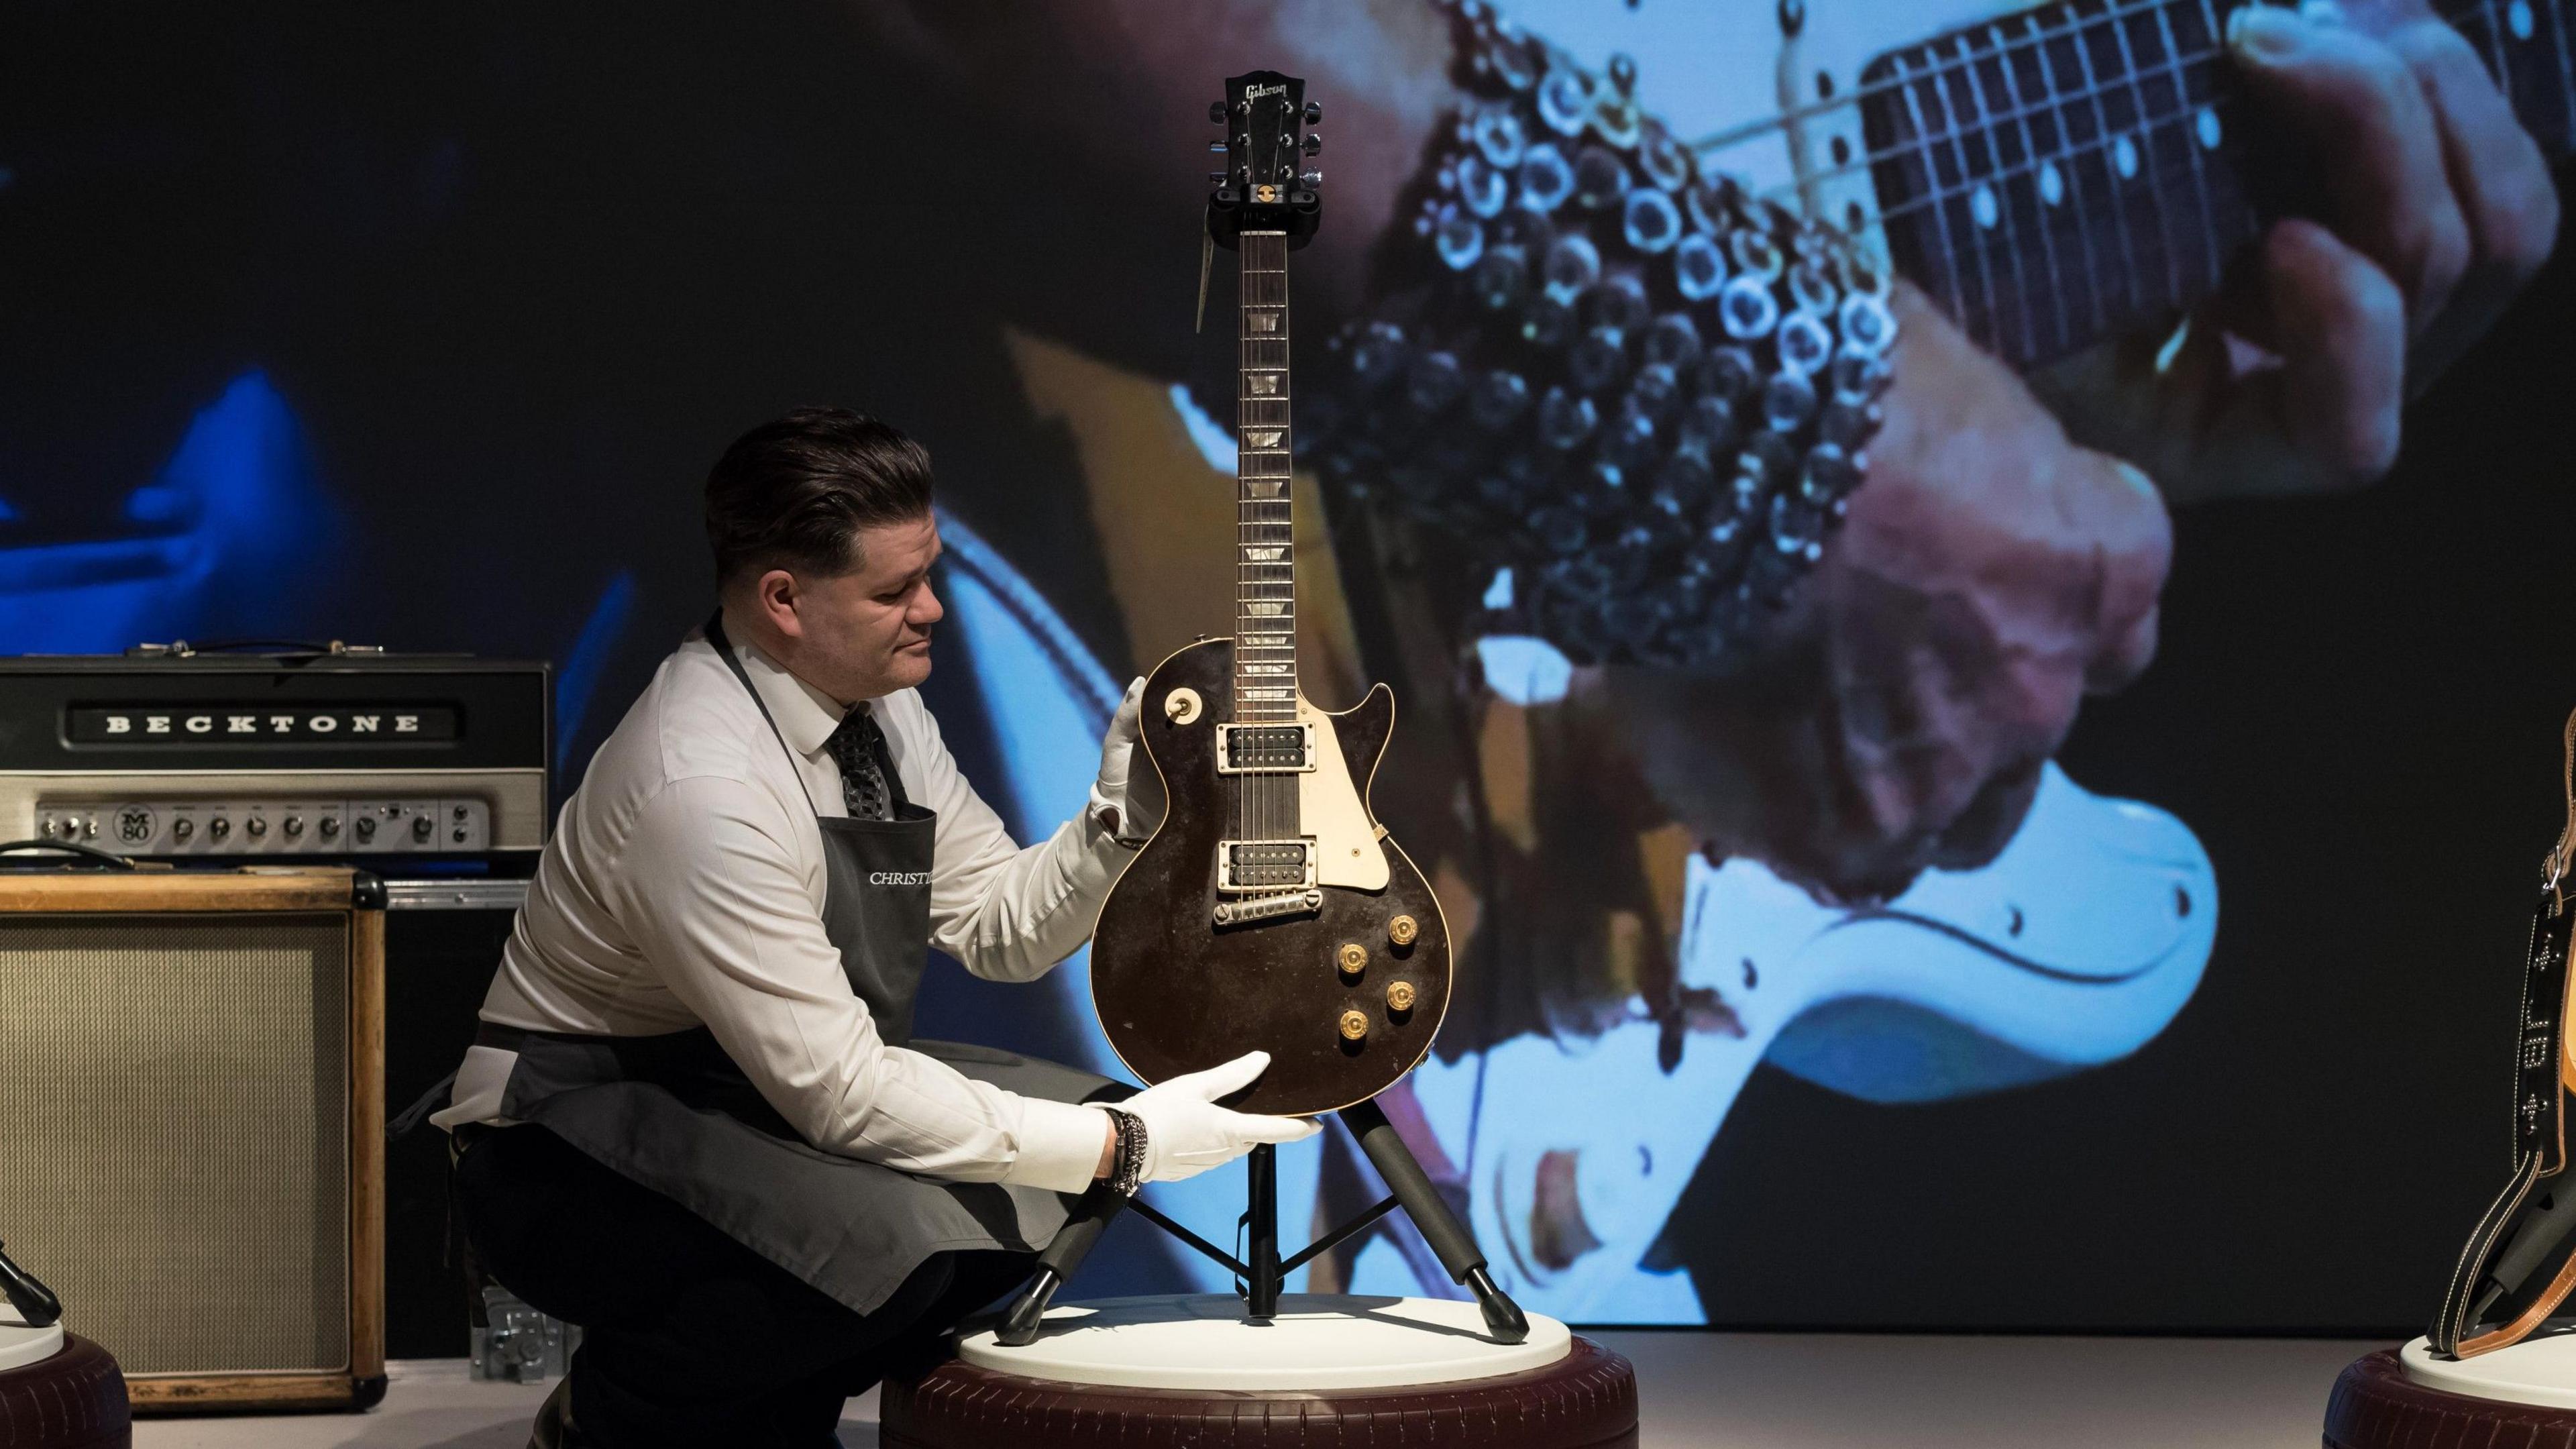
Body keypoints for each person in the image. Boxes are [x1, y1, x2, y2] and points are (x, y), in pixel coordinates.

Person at [427, 408, 1319, 1448]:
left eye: (928, 574)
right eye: (895, 590)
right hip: (565, 1138)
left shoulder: (873, 705)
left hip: (737, 1088)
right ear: (784, 601)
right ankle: (617, 1419)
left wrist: (1118, 821)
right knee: (925, 1240)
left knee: (1042, 1185)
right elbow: (844, 1096)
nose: (933, 608)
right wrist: (1125, 1147)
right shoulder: (700, 783)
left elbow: (999, 928)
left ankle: (767, 1419)